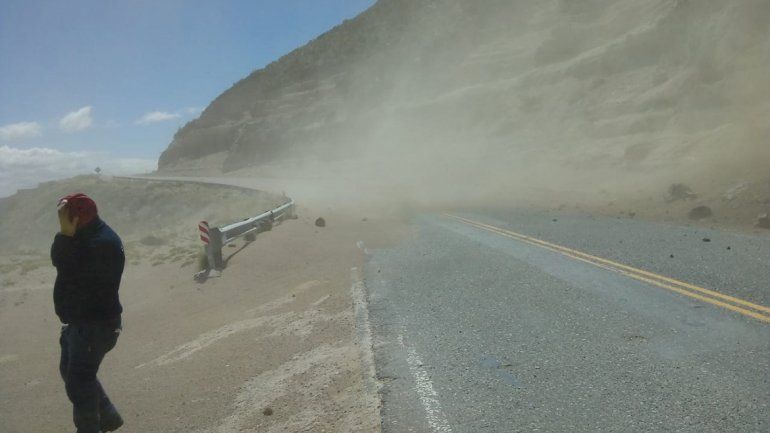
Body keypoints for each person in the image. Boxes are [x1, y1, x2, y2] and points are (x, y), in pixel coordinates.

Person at [51, 193, 125, 433]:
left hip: (95, 326)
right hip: (82, 323)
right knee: (72, 372)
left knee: (79, 381)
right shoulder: (88, 235)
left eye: (65, 218)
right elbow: (61, 262)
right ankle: (109, 416)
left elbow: (64, 264)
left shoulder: (100, 243)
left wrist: (65, 235)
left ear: (76, 218)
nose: (61, 223)